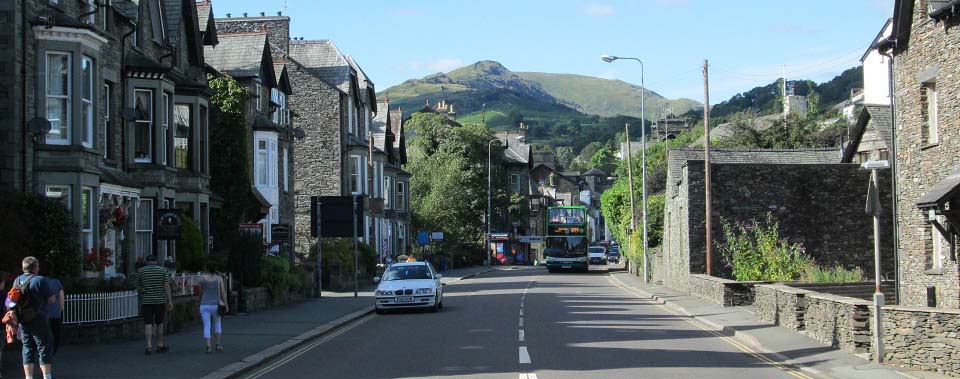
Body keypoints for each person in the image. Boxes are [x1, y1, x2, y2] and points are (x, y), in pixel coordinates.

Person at [12, 257, 56, 379]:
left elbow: (11, 301)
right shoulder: (40, 280)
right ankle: (47, 376)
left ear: (23, 267)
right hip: (39, 319)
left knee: (27, 348)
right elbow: (51, 299)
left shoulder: (17, 280)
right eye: (38, 266)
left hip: (23, 320)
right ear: (35, 267)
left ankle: (29, 377)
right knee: (44, 347)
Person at [136, 255, 172, 355]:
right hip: (160, 301)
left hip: (147, 301)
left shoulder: (141, 271)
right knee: (159, 323)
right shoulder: (162, 270)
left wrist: (143, 294)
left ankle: (148, 346)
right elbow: (167, 286)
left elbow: (138, 287)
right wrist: (170, 301)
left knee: (148, 323)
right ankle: (159, 344)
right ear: (156, 261)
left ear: (147, 261)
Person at [197, 266, 227, 354]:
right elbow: (223, 292)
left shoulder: (202, 278)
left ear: (207, 269)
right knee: (217, 324)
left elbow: (200, 292)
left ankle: (208, 347)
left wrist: (200, 301)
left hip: (204, 304)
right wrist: (226, 304)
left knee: (207, 325)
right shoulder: (219, 279)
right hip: (216, 305)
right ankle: (217, 345)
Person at [44, 277, 63, 356]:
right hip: (55, 314)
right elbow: (62, 298)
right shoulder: (57, 282)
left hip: (44, 314)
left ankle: (44, 351)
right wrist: (60, 308)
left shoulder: (39, 281)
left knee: (44, 334)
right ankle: (53, 351)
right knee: (55, 334)